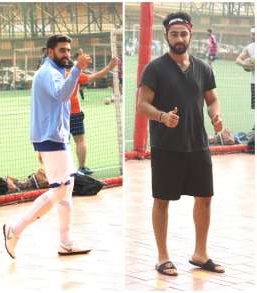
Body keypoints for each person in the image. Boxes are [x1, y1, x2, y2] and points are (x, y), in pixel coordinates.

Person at [138, 12, 225, 276]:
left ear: (190, 35)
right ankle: (163, 257)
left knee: (205, 198)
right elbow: (142, 105)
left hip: (198, 144)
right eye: (174, 34)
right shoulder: (155, 68)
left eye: (183, 34)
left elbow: (211, 99)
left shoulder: (202, 68)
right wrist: (162, 117)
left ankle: (200, 254)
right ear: (166, 36)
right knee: (162, 200)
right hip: (166, 146)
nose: (179, 38)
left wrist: (216, 116)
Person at [3, 34, 92, 259]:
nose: (67, 55)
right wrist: (77, 69)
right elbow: (62, 95)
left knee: (66, 190)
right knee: (60, 189)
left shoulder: (54, 71)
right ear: (50, 52)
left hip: (55, 138)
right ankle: (15, 230)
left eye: (69, 51)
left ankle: (65, 242)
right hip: (51, 138)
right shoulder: (48, 72)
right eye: (62, 50)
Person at [67, 56, 118, 175]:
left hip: (60, 114)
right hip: (75, 112)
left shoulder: (56, 75)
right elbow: (96, 76)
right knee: (80, 141)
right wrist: (109, 67)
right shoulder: (75, 75)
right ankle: (82, 167)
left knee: (63, 143)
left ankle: (66, 169)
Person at [236, 27, 255, 116]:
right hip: (254, 82)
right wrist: (245, 64)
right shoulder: (250, 48)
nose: (253, 36)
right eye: (252, 34)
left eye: (254, 34)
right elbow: (238, 59)